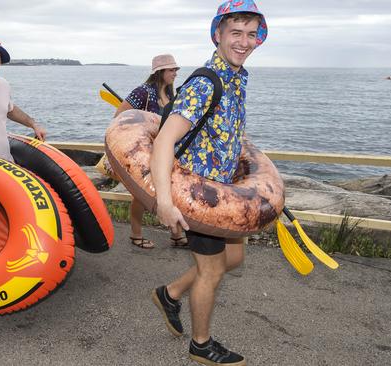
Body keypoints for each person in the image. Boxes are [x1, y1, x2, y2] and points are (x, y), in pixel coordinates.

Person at [150, 1, 268, 365]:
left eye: (251, 34)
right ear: (218, 34)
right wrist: (165, 202)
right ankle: (201, 345)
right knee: (212, 269)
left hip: (224, 195)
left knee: (233, 256)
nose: (244, 42)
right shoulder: (206, 82)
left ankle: (170, 294)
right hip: (200, 196)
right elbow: (164, 141)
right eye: (236, 33)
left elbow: (226, 136)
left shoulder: (236, 79)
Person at [113, 54, 188, 249]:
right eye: (172, 70)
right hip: (143, 151)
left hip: (164, 150)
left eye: (176, 69)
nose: (175, 73)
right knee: (141, 195)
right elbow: (119, 117)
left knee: (169, 191)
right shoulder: (142, 92)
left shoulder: (171, 95)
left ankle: (176, 234)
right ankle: (135, 234)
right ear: (160, 72)